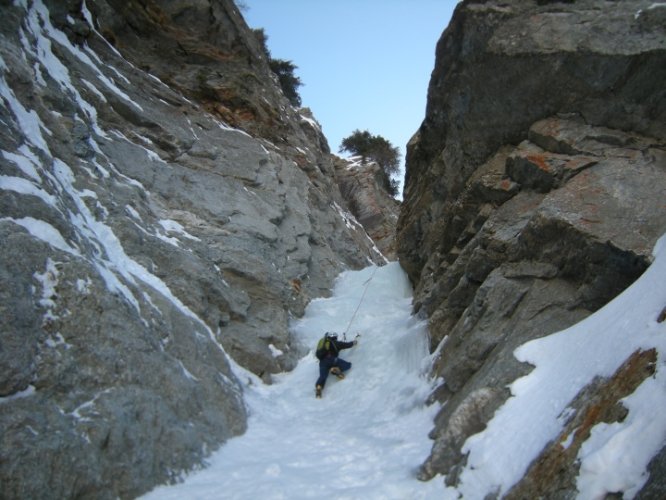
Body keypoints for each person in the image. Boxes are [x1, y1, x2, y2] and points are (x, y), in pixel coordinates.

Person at [314, 332, 358, 398]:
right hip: (331, 359)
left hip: (322, 362)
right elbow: (345, 345)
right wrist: (353, 342)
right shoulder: (334, 343)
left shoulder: (324, 344)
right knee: (348, 365)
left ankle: (319, 387)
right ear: (334, 337)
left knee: (323, 376)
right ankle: (335, 369)